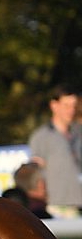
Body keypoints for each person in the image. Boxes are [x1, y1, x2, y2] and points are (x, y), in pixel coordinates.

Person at [28, 85, 82, 218]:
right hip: (58, 208)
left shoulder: (79, 132)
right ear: (54, 105)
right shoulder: (42, 137)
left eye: (74, 105)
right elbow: (35, 175)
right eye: (66, 105)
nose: (71, 110)